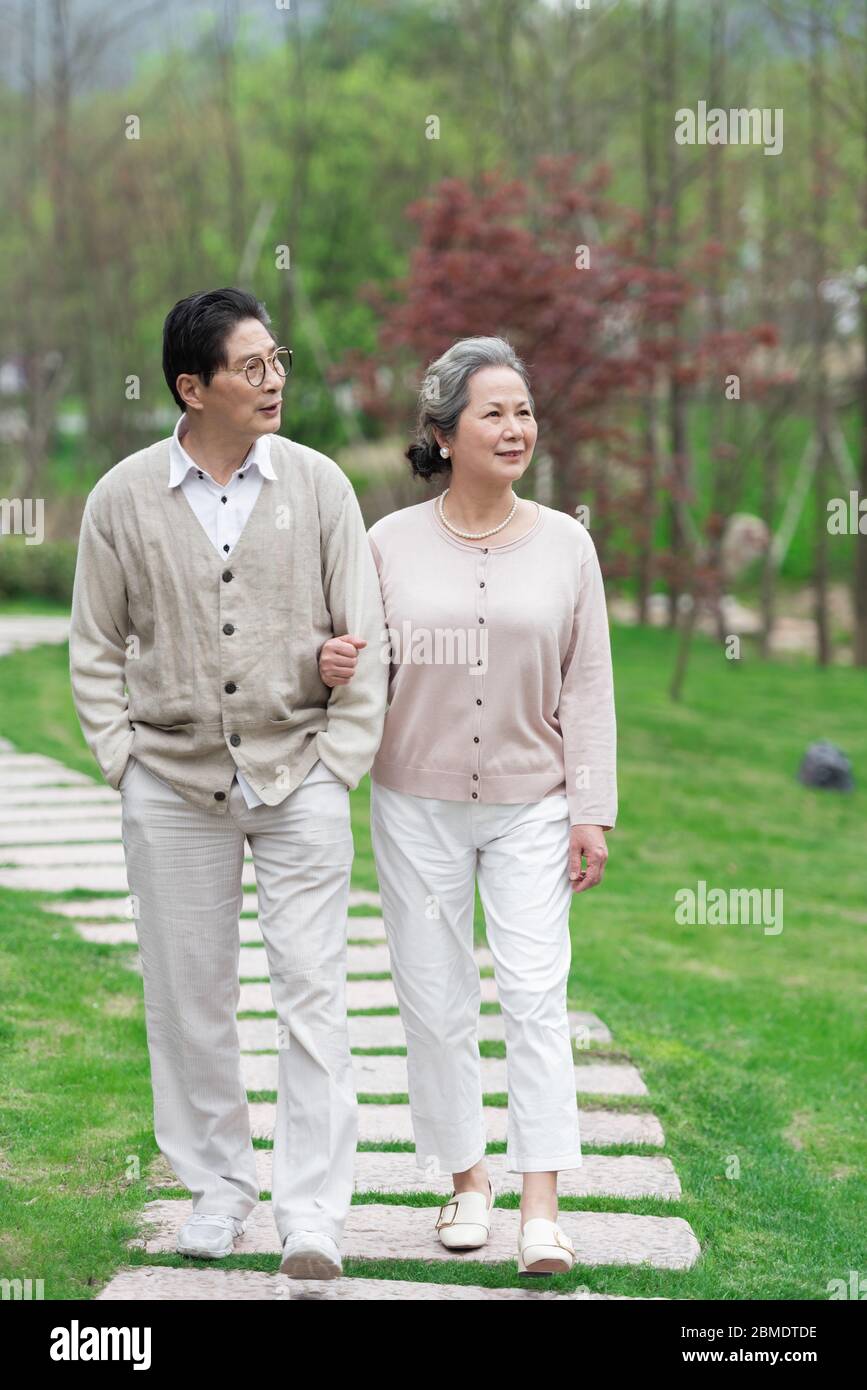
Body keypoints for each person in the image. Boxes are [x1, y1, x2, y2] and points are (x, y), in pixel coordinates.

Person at [69, 287, 388, 1280]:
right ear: (191, 386)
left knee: (312, 994)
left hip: (301, 776)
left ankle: (313, 1212)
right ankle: (215, 1188)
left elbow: (364, 636)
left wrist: (339, 760)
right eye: (252, 366)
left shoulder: (322, 484)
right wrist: (123, 761)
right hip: (168, 783)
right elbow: (93, 645)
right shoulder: (121, 498)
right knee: (188, 994)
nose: (275, 378)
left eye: (277, 360)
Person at [318, 336, 617, 1276]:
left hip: (535, 801)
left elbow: (589, 686)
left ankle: (540, 1206)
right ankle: (465, 1183)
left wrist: (590, 809)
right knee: (435, 999)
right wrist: (332, 667)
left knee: (534, 996)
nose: (515, 426)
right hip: (416, 801)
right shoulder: (387, 543)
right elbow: (361, 663)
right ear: (443, 434)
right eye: (492, 412)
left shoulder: (568, 543)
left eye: (523, 410)